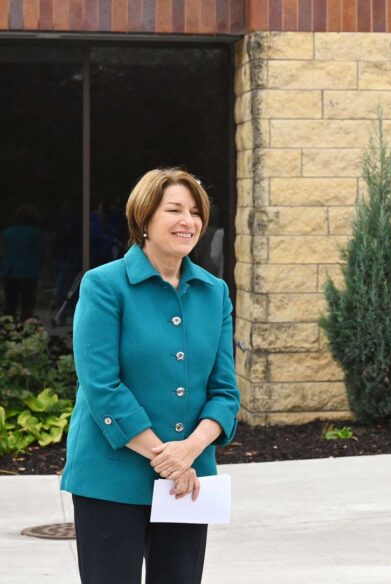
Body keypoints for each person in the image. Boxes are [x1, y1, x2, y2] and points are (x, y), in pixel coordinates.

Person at [61, 168, 240, 584]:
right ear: (144, 219)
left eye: (196, 212)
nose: (188, 221)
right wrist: (169, 458)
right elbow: (101, 386)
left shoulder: (214, 293)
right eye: (174, 209)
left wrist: (189, 451)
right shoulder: (103, 285)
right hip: (110, 479)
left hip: (189, 480)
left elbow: (225, 392)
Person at [1, 204, 43, 321]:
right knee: (27, 305)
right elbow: (40, 253)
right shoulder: (36, 233)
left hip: (10, 271)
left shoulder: (8, 232)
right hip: (29, 272)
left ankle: (9, 329)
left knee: (10, 304)